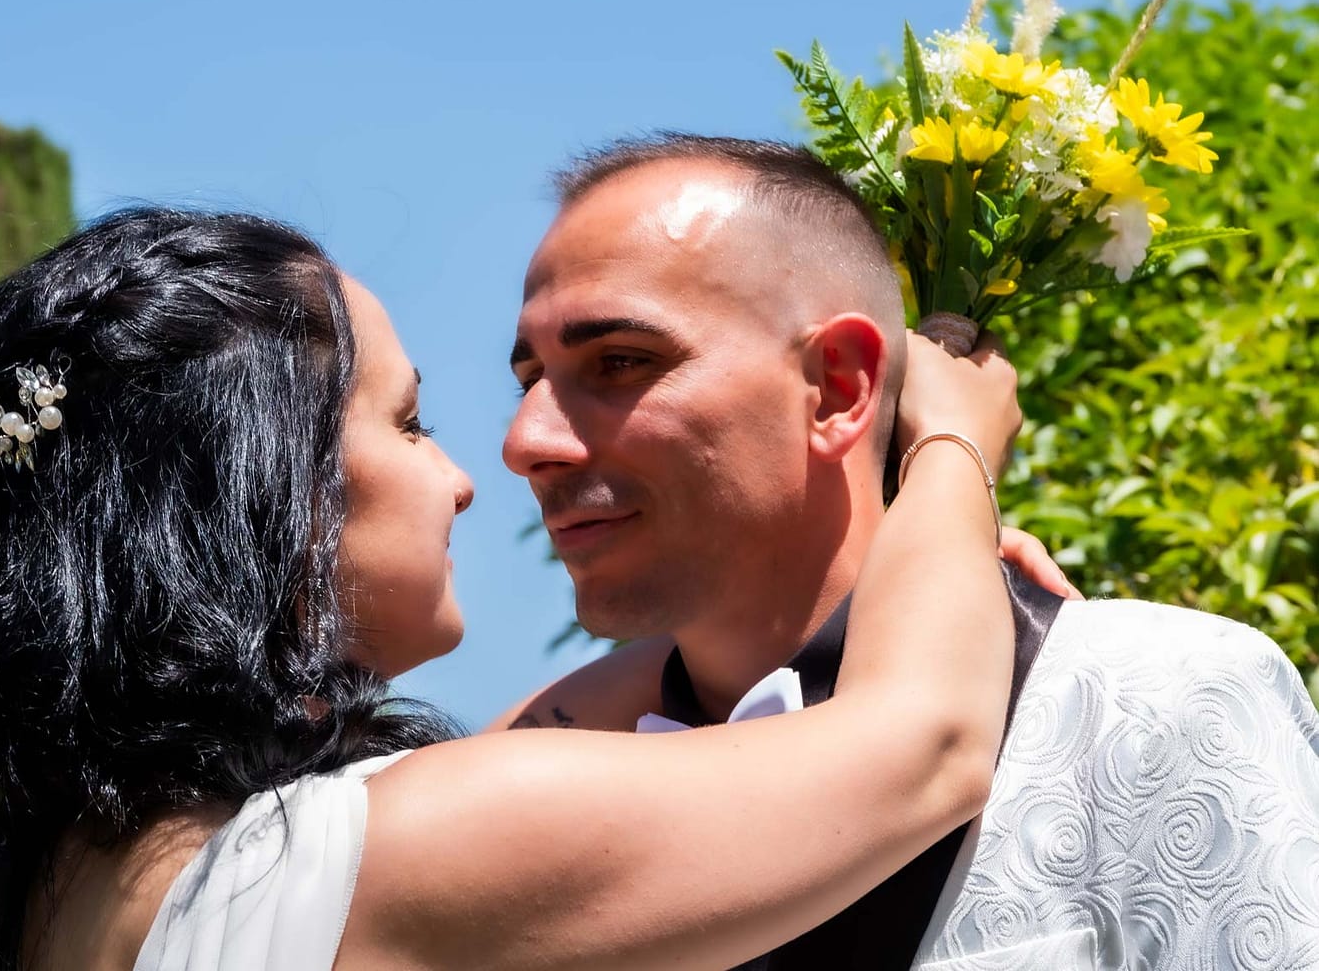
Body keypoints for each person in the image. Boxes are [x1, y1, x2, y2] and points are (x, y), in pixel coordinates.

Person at [0, 206, 1027, 970]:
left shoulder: (11, 907)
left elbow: (611, 700)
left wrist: (908, 573)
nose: (463, 475)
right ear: (270, 488)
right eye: (410, 422)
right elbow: (925, 746)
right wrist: (955, 451)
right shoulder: (386, 853)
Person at [497, 134, 1319, 970]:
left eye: (621, 362)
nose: (526, 442)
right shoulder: (526, 820)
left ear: (840, 386)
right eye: (528, 381)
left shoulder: (1153, 693)